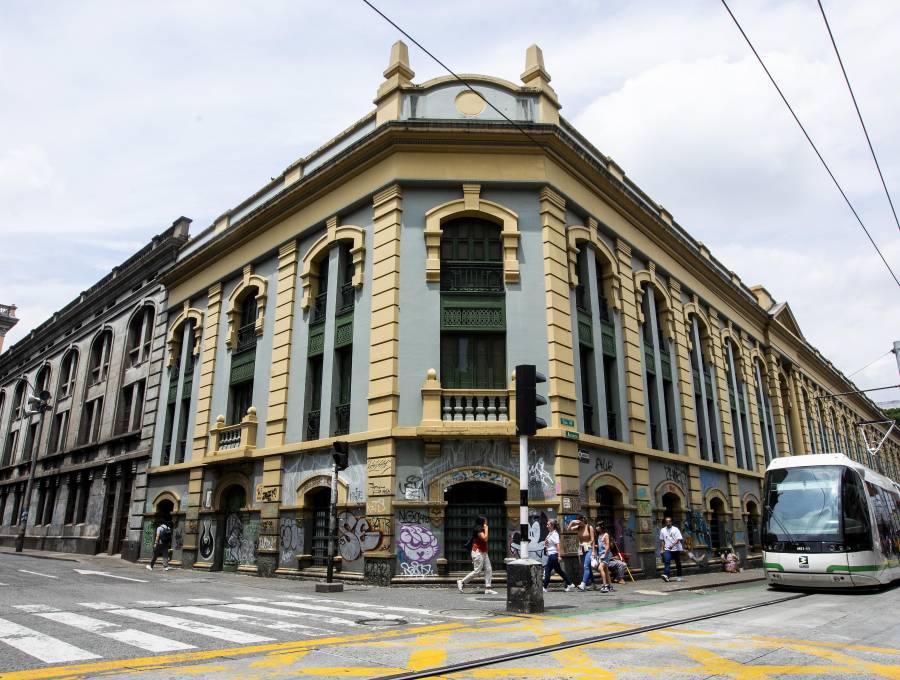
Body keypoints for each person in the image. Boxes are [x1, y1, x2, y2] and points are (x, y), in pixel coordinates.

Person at [457, 515, 496, 595]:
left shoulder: (481, 529)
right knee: (477, 571)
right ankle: (462, 582)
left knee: (488, 569)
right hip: (478, 552)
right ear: (482, 522)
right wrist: (486, 528)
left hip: (484, 552)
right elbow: (485, 538)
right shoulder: (477, 529)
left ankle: (488, 588)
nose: (486, 522)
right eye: (485, 521)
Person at [543, 519, 575, 592]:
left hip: (553, 555)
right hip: (551, 554)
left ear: (552, 526)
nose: (546, 526)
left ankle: (544, 587)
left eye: (548, 525)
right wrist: (546, 544)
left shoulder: (555, 534)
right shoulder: (550, 533)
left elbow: (558, 545)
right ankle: (570, 583)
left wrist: (559, 556)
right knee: (559, 571)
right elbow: (550, 543)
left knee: (547, 570)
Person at [566, 515, 596, 591]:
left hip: (588, 548)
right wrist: (572, 522)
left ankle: (583, 584)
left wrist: (593, 551)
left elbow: (593, 540)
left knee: (586, 566)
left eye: (580, 522)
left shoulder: (589, 527)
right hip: (582, 549)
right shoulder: (578, 527)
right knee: (587, 567)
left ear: (583, 520)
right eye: (578, 522)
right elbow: (568, 530)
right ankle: (593, 583)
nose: (579, 523)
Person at [658, 515, 684, 582]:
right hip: (667, 549)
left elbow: (678, 539)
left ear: (671, 522)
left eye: (669, 521)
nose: (668, 523)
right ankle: (666, 575)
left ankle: (679, 576)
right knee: (667, 561)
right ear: (665, 522)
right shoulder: (662, 530)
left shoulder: (675, 529)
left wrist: (673, 545)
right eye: (667, 522)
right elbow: (662, 540)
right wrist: (662, 549)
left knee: (677, 562)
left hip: (676, 549)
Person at [595, 521, 614, 593]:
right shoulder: (599, 535)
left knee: (600, 568)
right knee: (605, 570)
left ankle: (604, 585)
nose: (596, 528)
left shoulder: (606, 535)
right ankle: (610, 586)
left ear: (601, 527)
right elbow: (601, 546)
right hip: (601, 554)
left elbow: (607, 546)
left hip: (606, 555)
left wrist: (604, 555)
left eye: (598, 526)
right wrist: (594, 546)